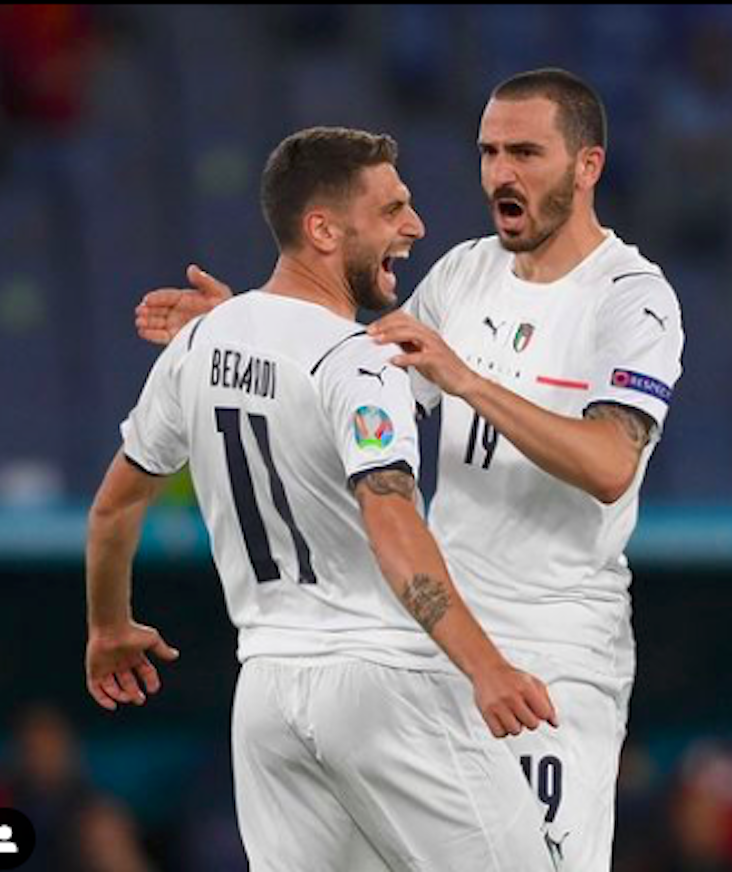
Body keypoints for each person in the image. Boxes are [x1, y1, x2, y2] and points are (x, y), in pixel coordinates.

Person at [135, 69, 685, 871]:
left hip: (553, 654)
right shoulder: (464, 272)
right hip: (435, 645)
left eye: (526, 152)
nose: (502, 172)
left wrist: (468, 381)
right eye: (489, 151)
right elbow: (360, 377)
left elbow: (608, 465)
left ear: (587, 165)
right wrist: (245, 326)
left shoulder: (631, 298)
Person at [87, 126, 559, 872]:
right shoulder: (360, 365)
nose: (416, 226)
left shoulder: (201, 343)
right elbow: (392, 525)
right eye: (393, 209)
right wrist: (485, 666)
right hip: (383, 685)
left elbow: (113, 508)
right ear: (323, 230)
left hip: (268, 697)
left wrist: (109, 627)